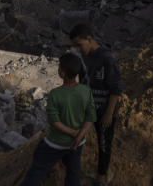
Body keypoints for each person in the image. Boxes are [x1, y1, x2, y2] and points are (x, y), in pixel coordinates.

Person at [17, 53, 96, 186]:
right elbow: (91, 117)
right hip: (77, 143)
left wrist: (72, 133)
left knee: (38, 167)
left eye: (59, 67)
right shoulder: (86, 91)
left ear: (62, 73)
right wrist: (79, 135)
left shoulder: (55, 94)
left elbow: (54, 121)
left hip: (56, 143)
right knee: (74, 172)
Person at [70, 25, 123, 186]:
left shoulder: (107, 58)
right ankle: (72, 168)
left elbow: (116, 89)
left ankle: (101, 176)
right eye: (75, 46)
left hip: (104, 111)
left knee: (104, 143)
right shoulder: (83, 58)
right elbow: (82, 83)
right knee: (75, 136)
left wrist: (109, 113)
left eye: (79, 44)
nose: (78, 49)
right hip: (88, 108)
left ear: (90, 39)